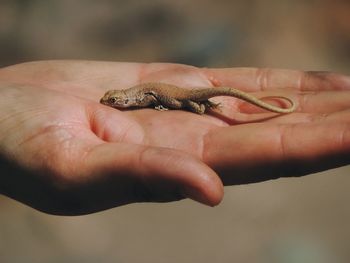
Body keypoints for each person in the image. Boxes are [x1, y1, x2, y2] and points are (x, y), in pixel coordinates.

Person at [0, 60, 349, 215]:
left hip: (184, 96)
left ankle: (206, 105)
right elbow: (147, 97)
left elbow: (155, 98)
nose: (111, 104)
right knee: (191, 102)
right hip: (182, 93)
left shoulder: (140, 96)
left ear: (124, 99)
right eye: (112, 101)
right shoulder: (133, 95)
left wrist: (186, 105)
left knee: (189, 104)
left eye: (113, 101)